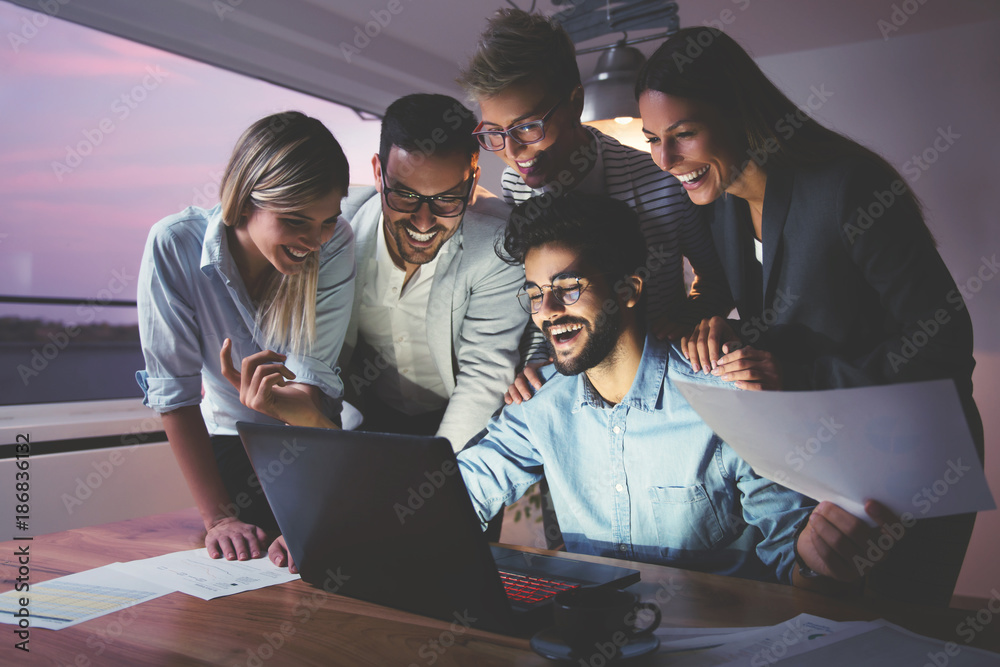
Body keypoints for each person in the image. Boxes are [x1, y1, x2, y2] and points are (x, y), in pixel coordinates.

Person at [241, 193, 899, 590]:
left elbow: (794, 556)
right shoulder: (540, 407)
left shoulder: (722, 397)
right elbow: (448, 499)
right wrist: (343, 534)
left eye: (569, 287)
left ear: (631, 287)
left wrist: (821, 561)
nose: (546, 309)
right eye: (534, 293)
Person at [635, 26, 984, 605]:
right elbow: (807, 321)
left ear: (738, 113)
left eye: (684, 134)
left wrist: (796, 375)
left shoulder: (851, 185)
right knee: (825, 620)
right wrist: (736, 331)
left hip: (915, 451)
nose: (665, 160)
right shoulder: (722, 204)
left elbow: (944, 342)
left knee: (897, 629)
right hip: (824, 453)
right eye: (652, 139)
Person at [457, 9, 732, 392]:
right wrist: (537, 360)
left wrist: (688, 321)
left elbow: (718, 280)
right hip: (578, 388)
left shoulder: (661, 180)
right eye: (493, 133)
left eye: (528, 127)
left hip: (666, 379)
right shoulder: (514, 186)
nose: (513, 151)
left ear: (575, 103)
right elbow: (545, 295)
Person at [137, 112, 355, 562]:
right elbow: (174, 397)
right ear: (245, 200)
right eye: (296, 221)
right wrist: (218, 519)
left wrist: (311, 512)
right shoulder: (173, 245)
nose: (315, 242)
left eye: (327, 220)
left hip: (315, 437)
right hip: (231, 443)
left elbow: (310, 396)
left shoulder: (335, 243)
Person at [334, 93, 529, 452]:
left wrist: (439, 479)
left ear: (472, 184)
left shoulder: (499, 244)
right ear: (378, 174)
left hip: (461, 416)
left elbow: (483, 376)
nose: (423, 221)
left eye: (446, 199)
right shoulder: (334, 228)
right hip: (364, 412)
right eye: (405, 196)